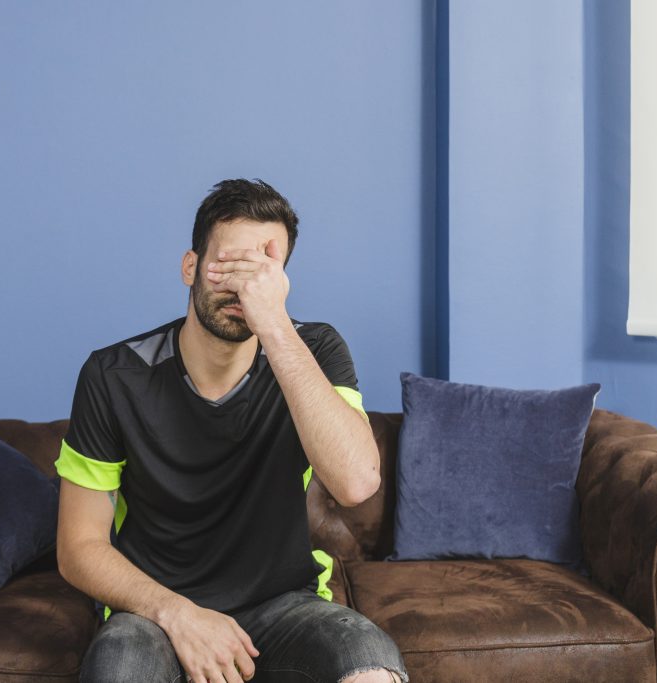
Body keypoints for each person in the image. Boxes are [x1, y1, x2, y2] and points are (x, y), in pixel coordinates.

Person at [55, 178, 410, 683]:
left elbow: (355, 483)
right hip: (155, 611)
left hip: (285, 603)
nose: (241, 286)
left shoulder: (313, 349)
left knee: (369, 663)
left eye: (259, 270)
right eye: (227, 265)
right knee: (120, 668)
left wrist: (275, 326)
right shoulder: (113, 375)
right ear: (190, 267)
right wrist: (177, 614)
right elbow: (78, 547)